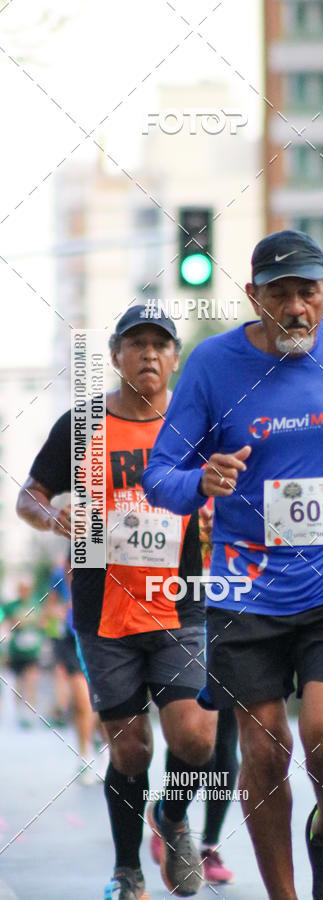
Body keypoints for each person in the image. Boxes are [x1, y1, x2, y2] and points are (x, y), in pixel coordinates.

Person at [143, 229, 323, 899]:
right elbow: (160, 475)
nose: (296, 307)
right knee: (265, 749)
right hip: (245, 586)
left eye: (307, 292)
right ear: (254, 298)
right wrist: (199, 484)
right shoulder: (212, 368)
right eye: (279, 295)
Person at [17, 305, 219, 900]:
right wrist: (54, 514)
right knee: (131, 747)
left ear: (176, 358)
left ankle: (174, 817)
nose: (149, 354)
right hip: (104, 609)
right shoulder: (80, 426)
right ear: (115, 355)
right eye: (137, 344)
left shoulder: (198, 426)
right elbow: (30, 496)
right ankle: (127, 870)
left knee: (196, 739)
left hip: (180, 602)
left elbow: (236, 487)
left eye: (161, 344)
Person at [42, 558, 97, 782]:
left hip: (102, 637)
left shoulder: (102, 561)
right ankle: (85, 757)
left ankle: (104, 749)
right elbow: (50, 607)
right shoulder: (58, 575)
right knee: (83, 702)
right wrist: (59, 613)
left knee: (103, 704)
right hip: (72, 640)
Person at [3, 579, 44, 728]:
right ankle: (20, 712)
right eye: (21, 589)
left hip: (33, 650)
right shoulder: (11, 606)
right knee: (20, 683)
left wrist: (36, 623)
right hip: (17, 651)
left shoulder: (37, 604)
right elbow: (4, 620)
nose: (24, 592)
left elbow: (43, 622)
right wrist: (15, 622)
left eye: (26, 589)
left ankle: (30, 713)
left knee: (32, 680)